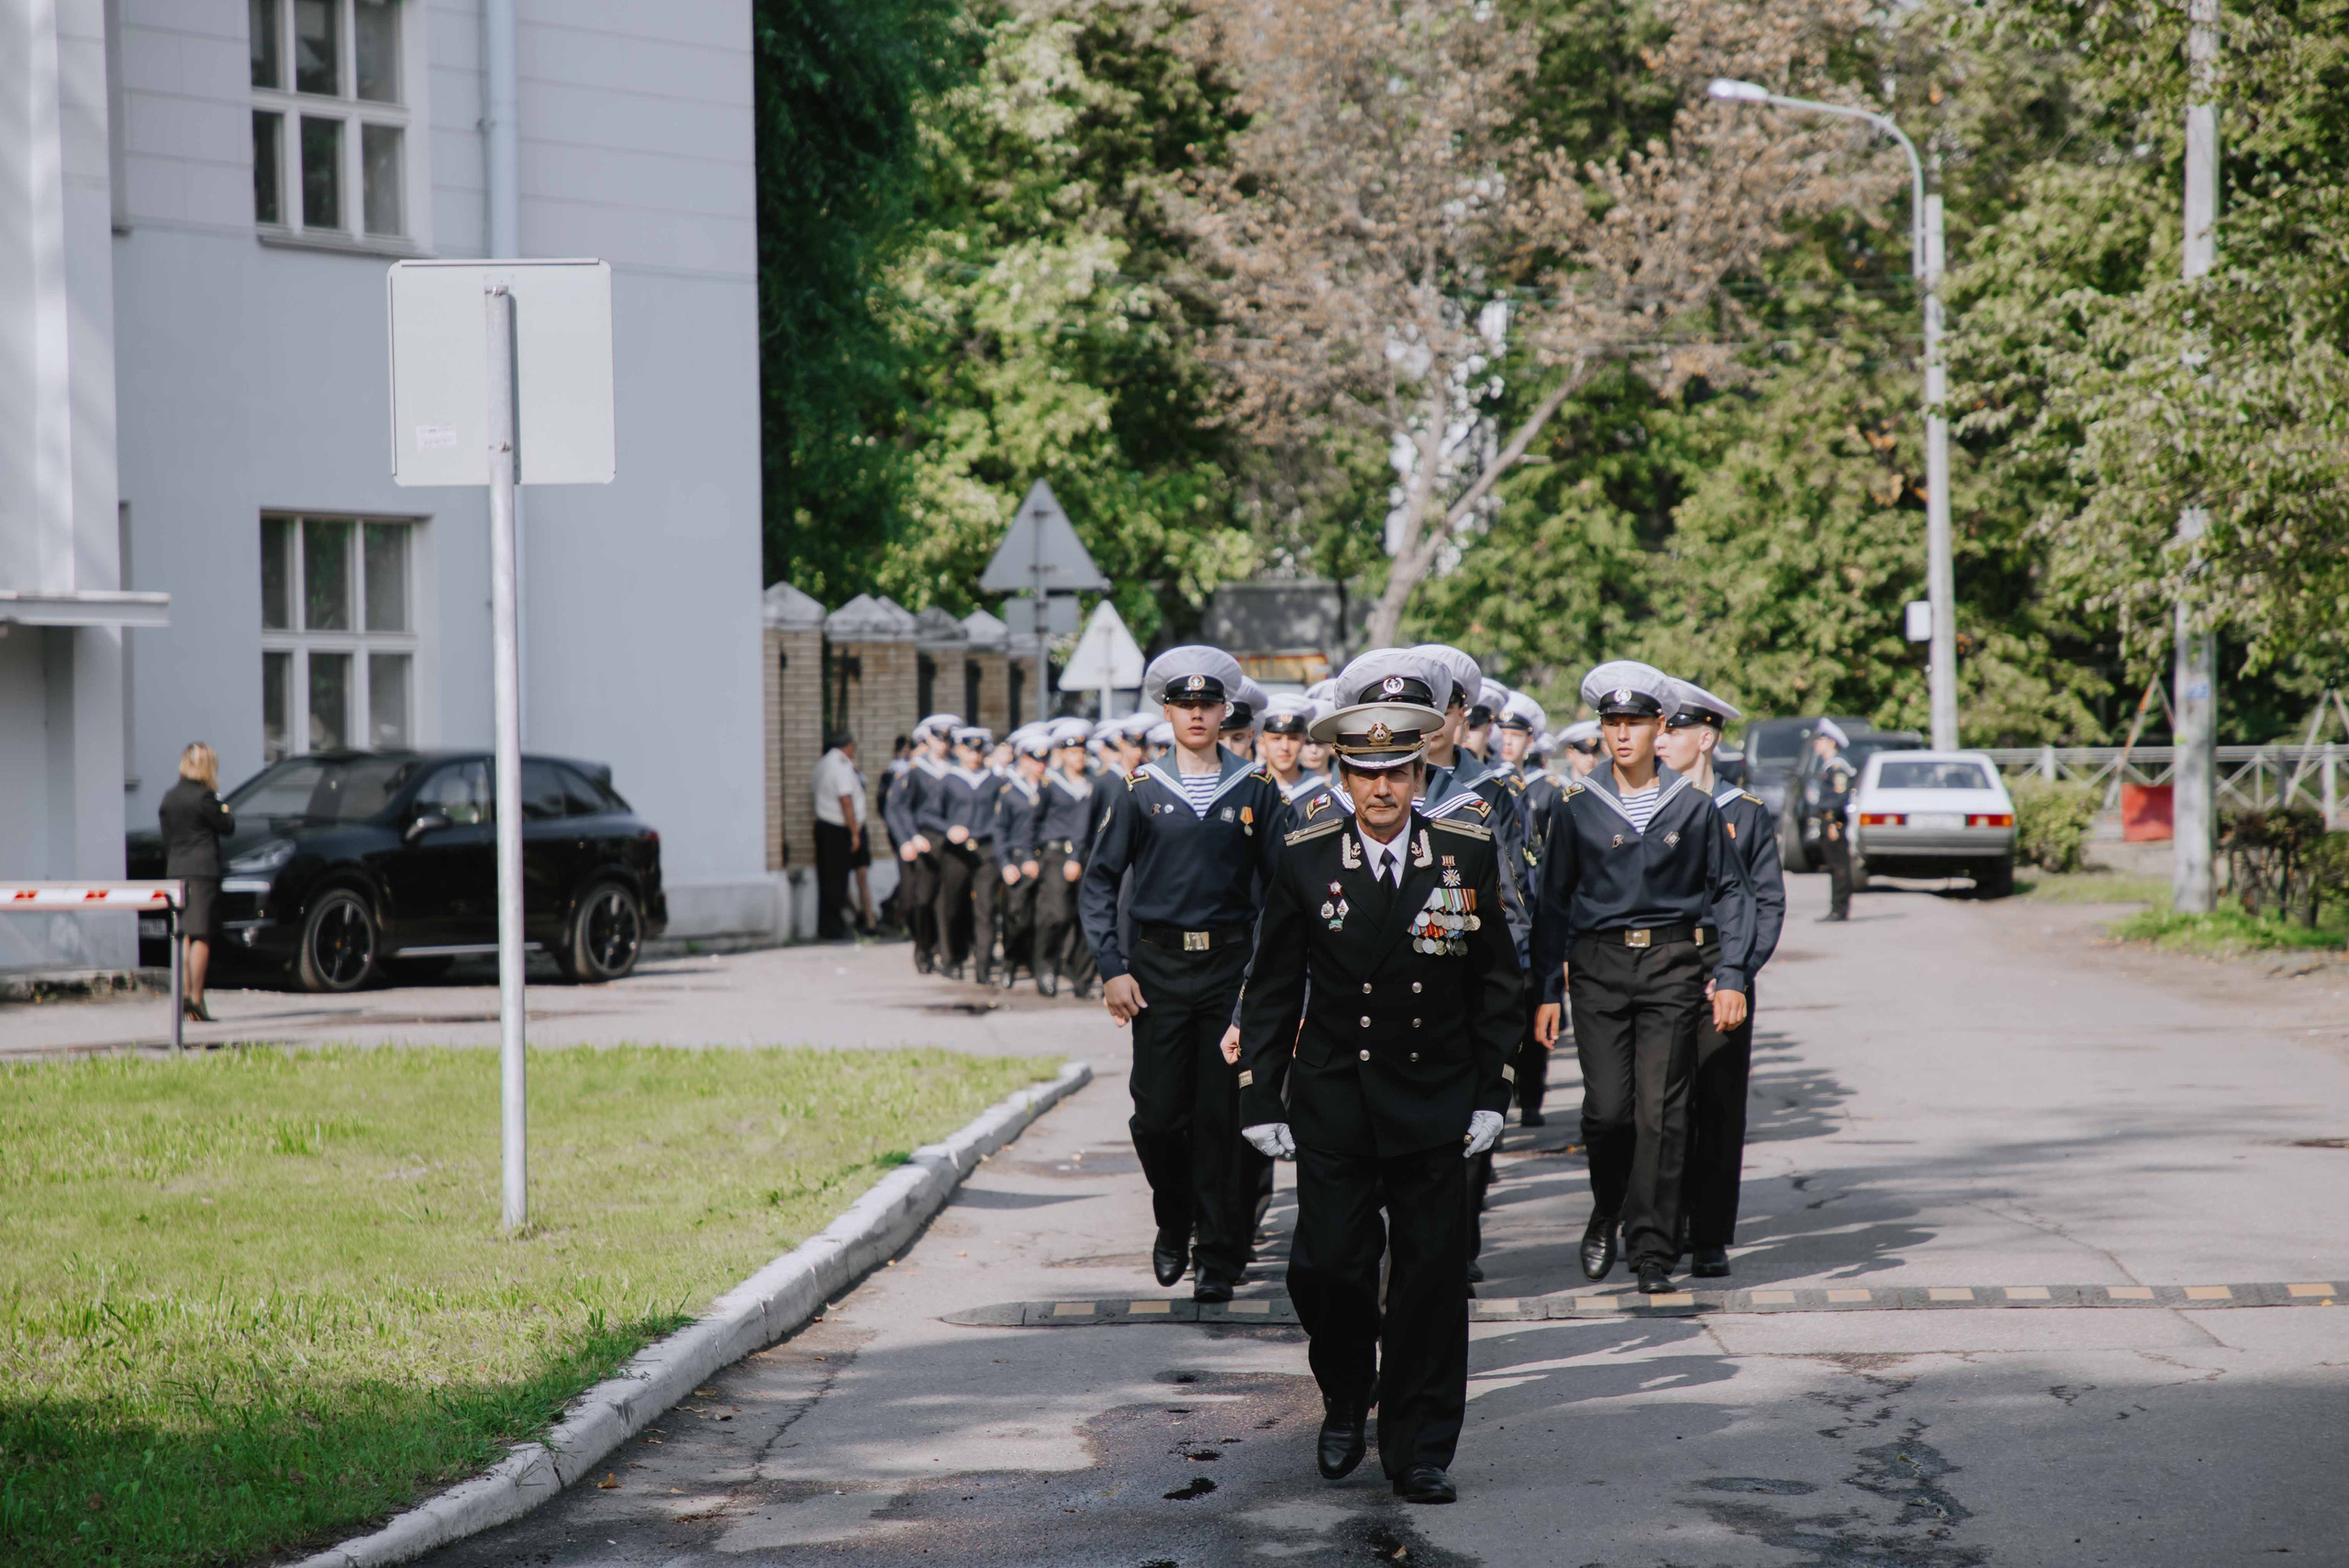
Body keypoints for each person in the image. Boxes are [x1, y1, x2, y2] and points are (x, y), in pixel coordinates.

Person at [1232, 651, 1520, 1504]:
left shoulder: (1464, 852)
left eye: (1398, 769)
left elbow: (1499, 980)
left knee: (1432, 1276)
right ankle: (1344, 1391)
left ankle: (1421, 1445)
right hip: (1334, 1096)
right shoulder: (1305, 854)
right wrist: (1257, 1093)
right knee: (1326, 1270)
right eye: (1366, 770)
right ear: (1341, 770)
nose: (1383, 787)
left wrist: (1493, 1094)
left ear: (1421, 766)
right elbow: (1275, 981)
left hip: (1433, 1100)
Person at [1531, 660, 1756, 1295]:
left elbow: (1733, 893)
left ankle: (1653, 1249)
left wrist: (1733, 971)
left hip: (1671, 966)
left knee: (1663, 1112)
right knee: (1607, 1114)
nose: (1622, 733)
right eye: (1611, 721)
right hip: (1598, 967)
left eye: (1634, 721)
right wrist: (1547, 987)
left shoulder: (1694, 804)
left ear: (1661, 726)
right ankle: (1609, 1204)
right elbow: (1552, 900)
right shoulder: (1577, 805)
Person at [1080, 647, 1284, 1302]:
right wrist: (1112, 967)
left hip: (1229, 970)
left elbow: (1282, 890)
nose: (1197, 714)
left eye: (1208, 704)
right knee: (1160, 1117)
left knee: (1222, 1118)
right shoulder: (1138, 789)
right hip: (1158, 971)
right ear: (1166, 710)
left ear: (1226, 710)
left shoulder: (1256, 789)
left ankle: (1218, 1254)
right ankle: (1174, 1217)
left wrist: (1263, 978)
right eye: (1184, 704)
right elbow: (1099, 881)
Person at [1656, 679, 1787, 1277]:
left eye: (1672, 729)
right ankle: (1663, 1223)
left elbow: (1766, 903)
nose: (1660, 740)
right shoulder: (1645, 807)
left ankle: (1708, 1233)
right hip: (1658, 968)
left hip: (1722, 968)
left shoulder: (1744, 813)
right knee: (1660, 1102)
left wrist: (1736, 971)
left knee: (1717, 1101)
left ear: (1705, 737)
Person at [159, 742, 235, 1023]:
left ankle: (183, 996)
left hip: (176, 870)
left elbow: (167, 837)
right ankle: (196, 999)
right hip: (202, 872)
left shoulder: (169, 798)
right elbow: (228, 825)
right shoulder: (205, 797)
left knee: (183, 935)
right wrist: (222, 803)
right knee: (201, 935)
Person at [924, 726, 1002, 982]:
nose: (974, 756)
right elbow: (927, 814)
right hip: (956, 852)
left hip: (986, 850)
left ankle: (983, 967)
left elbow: (1003, 817)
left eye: (978, 751)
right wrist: (949, 829)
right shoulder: (949, 780)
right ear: (959, 751)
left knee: (986, 909)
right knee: (953, 906)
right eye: (969, 751)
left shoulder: (994, 781)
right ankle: (952, 958)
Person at [884, 715, 960, 972]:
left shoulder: (957, 768)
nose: (943, 744)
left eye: (947, 739)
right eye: (939, 739)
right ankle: (923, 947)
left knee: (948, 902)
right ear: (928, 740)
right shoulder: (914, 770)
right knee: (918, 900)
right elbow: (897, 808)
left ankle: (948, 955)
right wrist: (909, 837)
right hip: (922, 842)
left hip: (951, 843)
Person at [1033, 717, 1098, 997]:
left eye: (1082, 752)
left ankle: (1080, 976)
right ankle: (1045, 966)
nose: (1079, 757)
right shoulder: (1050, 783)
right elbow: (1034, 822)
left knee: (1088, 919)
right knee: (1056, 915)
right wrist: (1029, 855)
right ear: (1061, 753)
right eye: (1073, 752)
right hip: (1056, 855)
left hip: (1087, 855)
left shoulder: (1095, 781)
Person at [995, 728, 1052, 984]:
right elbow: (1000, 830)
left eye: (1043, 760)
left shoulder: (1050, 788)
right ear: (1024, 760)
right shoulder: (1009, 791)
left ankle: (1041, 970)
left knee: (1044, 918)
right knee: (1016, 917)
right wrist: (1006, 863)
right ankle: (1010, 962)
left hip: (1044, 860)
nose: (1040, 765)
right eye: (1035, 760)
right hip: (1018, 860)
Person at [812, 730, 866, 941]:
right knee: (837, 881)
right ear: (848, 746)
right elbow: (846, 799)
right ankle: (834, 928)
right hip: (837, 829)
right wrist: (854, 832)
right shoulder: (841, 765)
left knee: (826, 879)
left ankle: (827, 925)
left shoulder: (823, 763)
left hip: (824, 827)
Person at [1804, 718, 1859, 922]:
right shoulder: (1828, 766)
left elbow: (1839, 798)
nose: (1817, 744)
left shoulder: (1838, 767)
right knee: (1834, 866)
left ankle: (1839, 909)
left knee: (1839, 866)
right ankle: (1837, 907)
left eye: (1821, 740)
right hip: (1828, 822)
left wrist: (1833, 822)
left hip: (1835, 822)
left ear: (1831, 742)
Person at [1259, 694, 1336, 819]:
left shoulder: (1321, 794)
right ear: (1262, 743)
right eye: (1276, 739)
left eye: (1293, 739)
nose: (1284, 747)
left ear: (1303, 741)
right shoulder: (1251, 789)